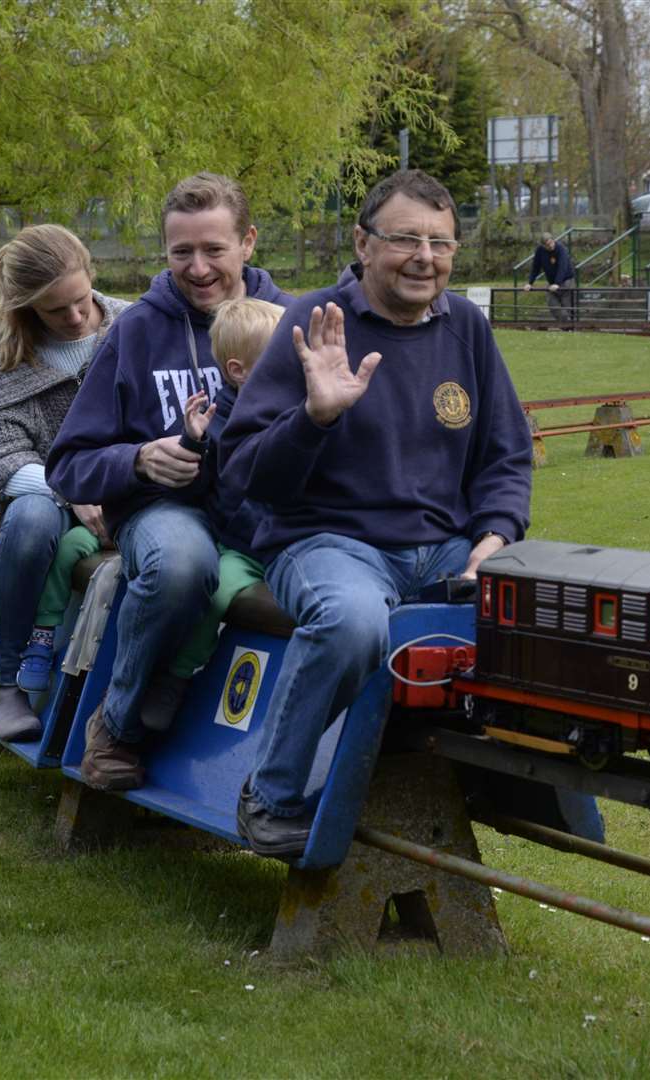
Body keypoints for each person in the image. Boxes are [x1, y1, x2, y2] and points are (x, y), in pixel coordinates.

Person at [217, 169, 535, 858]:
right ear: (362, 243)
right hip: (329, 543)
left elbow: (507, 455)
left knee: (539, 603)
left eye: (441, 243)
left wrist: (496, 534)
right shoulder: (312, 324)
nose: (426, 257)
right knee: (353, 621)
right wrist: (314, 417)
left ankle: (521, 790)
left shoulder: (468, 331)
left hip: (444, 547)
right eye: (405, 239)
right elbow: (245, 474)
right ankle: (268, 797)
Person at [47, 172, 291, 791]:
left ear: (249, 242)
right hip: (165, 511)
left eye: (214, 248)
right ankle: (118, 728)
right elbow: (68, 462)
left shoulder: (292, 323)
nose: (199, 267)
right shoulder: (135, 331)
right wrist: (137, 460)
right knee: (182, 562)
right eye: (182, 251)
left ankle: (285, 773)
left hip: (268, 512)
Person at [0, 224, 131, 740]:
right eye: (56, 311)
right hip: (44, 493)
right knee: (33, 520)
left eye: (82, 300)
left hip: (130, 482)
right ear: (26, 307)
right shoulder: (1, 352)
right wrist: (71, 489)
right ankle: (4, 683)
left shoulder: (134, 325)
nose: (76, 317)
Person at [162, 296, 285, 680]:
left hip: (297, 545)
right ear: (240, 370)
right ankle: (177, 675)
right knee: (214, 597)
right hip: (244, 549)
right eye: (283, 357)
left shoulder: (304, 411)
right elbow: (190, 491)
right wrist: (193, 445)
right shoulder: (216, 425)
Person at [523, 232, 576, 324]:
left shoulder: (560, 249)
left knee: (567, 305)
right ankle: (565, 325)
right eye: (547, 245)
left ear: (553, 240)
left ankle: (570, 326)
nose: (551, 246)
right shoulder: (540, 251)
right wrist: (530, 283)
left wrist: (557, 283)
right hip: (552, 282)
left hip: (566, 281)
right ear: (543, 245)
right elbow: (535, 267)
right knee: (552, 303)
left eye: (551, 243)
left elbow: (562, 267)